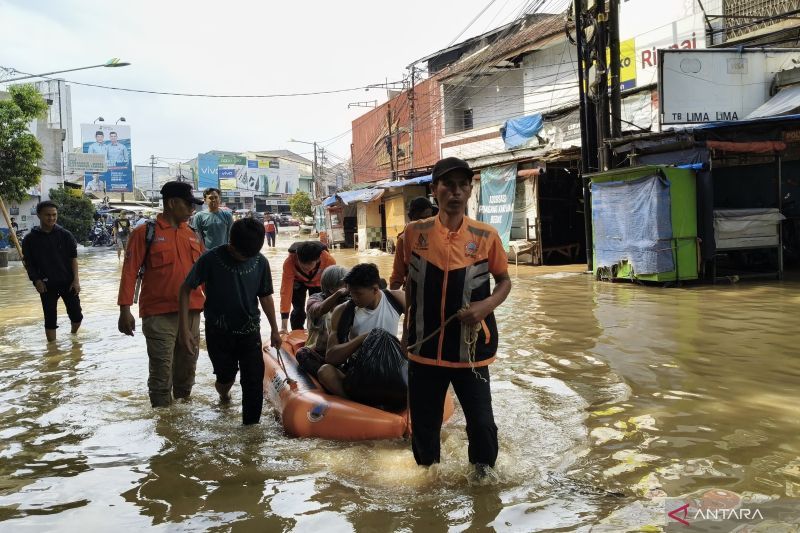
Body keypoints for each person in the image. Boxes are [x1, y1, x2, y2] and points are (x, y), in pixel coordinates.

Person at [401, 156, 512, 477]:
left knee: (481, 423)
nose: (456, 191)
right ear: (435, 190)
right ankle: (428, 481)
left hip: (471, 351)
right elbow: (405, 283)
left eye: (464, 184)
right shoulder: (412, 234)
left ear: (470, 190)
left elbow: (504, 281)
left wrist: (485, 306)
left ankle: (483, 480)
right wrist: (405, 329)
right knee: (424, 424)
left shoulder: (486, 235)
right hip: (424, 349)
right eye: (448, 184)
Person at [178, 218, 282, 425]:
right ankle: (224, 396)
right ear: (231, 242)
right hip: (219, 332)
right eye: (240, 254)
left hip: (250, 331)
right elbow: (185, 289)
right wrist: (184, 329)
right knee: (225, 378)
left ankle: (251, 433)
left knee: (252, 382)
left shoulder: (260, 261)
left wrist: (274, 330)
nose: (244, 258)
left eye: (249, 255)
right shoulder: (210, 259)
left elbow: (266, 296)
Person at [117, 181, 205, 408]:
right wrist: (124, 310)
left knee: (187, 370)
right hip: (158, 315)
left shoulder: (193, 235)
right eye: (188, 204)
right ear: (172, 203)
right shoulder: (145, 233)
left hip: (193, 313)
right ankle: (164, 424)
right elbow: (129, 272)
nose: (192, 210)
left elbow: (205, 276)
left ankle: (183, 419)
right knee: (161, 373)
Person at [319, 263, 407, 409]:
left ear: (375, 289)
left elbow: (417, 328)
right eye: (351, 293)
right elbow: (331, 357)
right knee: (325, 372)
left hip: (393, 367)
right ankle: (359, 406)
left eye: (358, 293)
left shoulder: (396, 298)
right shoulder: (343, 311)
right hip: (360, 371)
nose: (353, 298)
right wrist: (363, 338)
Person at [21, 201, 83, 342]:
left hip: (68, 282)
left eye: (54, 215)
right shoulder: (30, 239)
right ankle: (52, 349)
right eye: (47, 215)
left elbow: (73, 259)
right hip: (46, 285)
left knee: (77, 316)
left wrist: (76, 280)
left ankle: (73, 336)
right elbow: (28, 263)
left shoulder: (65, 235)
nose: (51, 218)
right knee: (50, 319)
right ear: (39, 215)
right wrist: (36, 280)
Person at [294, 265, 349, 377]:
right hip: (319, 353)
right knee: (302, 354)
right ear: (332, 288)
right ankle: (328, 376)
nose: (348, 288)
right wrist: (338, 294)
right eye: (345, 285)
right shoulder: (315, 299)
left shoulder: (350, 301)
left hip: (341, 354)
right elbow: (319, 310)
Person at [279, 240, 336, 332]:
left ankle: (317, 331)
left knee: (317, 308)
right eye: (302, 263)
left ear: (318, 259)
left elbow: (331, 286)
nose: (305, 268)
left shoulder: (329, 261)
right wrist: (283, 326)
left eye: (309, 264)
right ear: (297, 257)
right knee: (298, 310)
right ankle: (297, 331)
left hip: (318, 282)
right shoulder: (289, 262)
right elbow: (286, 292)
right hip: (298, 282)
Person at [389, 196, 435, 290]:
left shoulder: (439, 236)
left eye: (429, 218)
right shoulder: (403, 240)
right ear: (413, 218)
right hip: (414, 290)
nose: (426, 222)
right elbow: (397, 275)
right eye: (422, 218)